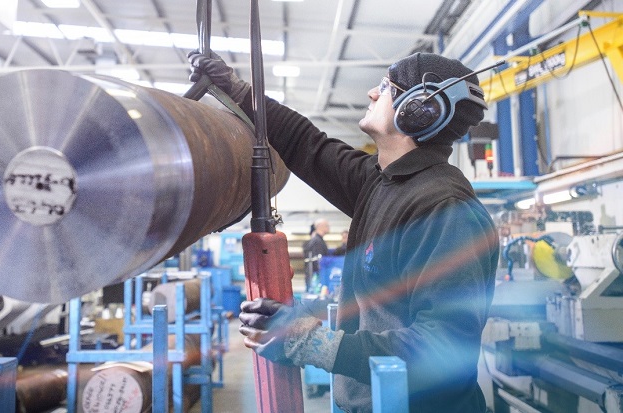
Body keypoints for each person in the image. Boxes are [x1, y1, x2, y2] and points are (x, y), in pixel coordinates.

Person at [189, 51, 499, 413]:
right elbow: (305, 144)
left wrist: (313, 343)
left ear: (418, 110)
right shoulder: (382, 183)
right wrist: (237, 90)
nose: (372, 92)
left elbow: (441, 348)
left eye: (386, 87)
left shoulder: (443, 210)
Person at [302, 218, 330, 292]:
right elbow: (317, 261)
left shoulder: (318, 240)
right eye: (327, 225)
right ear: (320, 226)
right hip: (316, 278)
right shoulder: (317, 241)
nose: (329, 227)